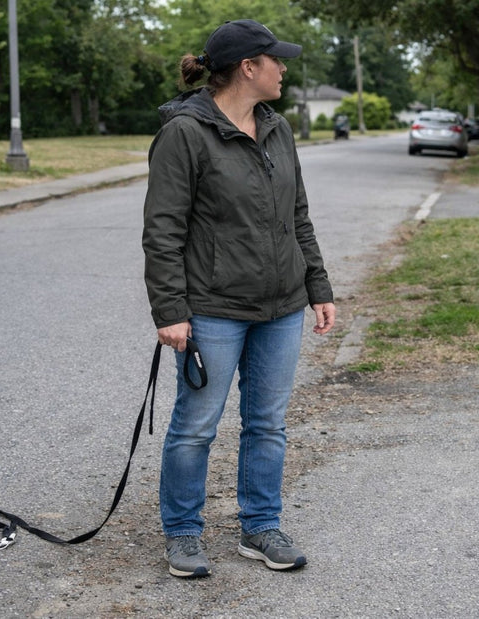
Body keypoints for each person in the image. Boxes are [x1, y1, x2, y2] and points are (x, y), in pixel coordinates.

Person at [141, 19, 336, 579]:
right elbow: (163, 230)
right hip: (214, 306)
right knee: (196, 425)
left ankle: (261, 526)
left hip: (280, 307)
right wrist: (171, 310)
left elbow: (297, 214)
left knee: (267, 423)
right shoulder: (185, 133)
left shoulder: (278, 128)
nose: (283, 69)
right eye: (276, 60)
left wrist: (316, 286)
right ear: (248, 67)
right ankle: (182, 535)